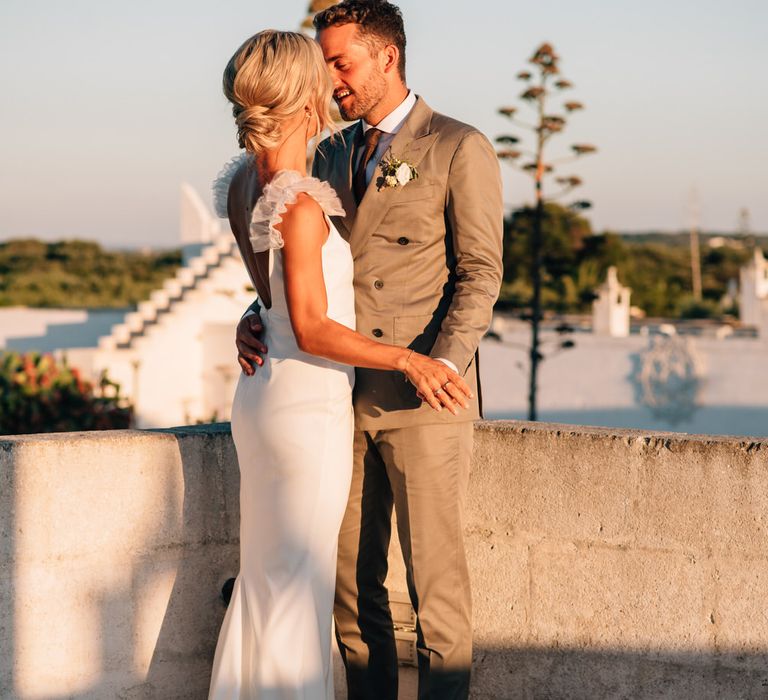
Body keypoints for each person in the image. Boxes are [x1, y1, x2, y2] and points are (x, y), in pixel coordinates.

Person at [235, 3, 504, 699]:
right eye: (323, 64)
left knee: (435, 595)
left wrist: (441, 363)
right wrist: (257, 316)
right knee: (354, 600)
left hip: (422, 399)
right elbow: (304, 272)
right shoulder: (323, 151)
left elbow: (481, 272)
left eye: (341, 62)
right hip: (337, 397)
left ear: (387, 56)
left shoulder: (457, 145)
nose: (331, 80)